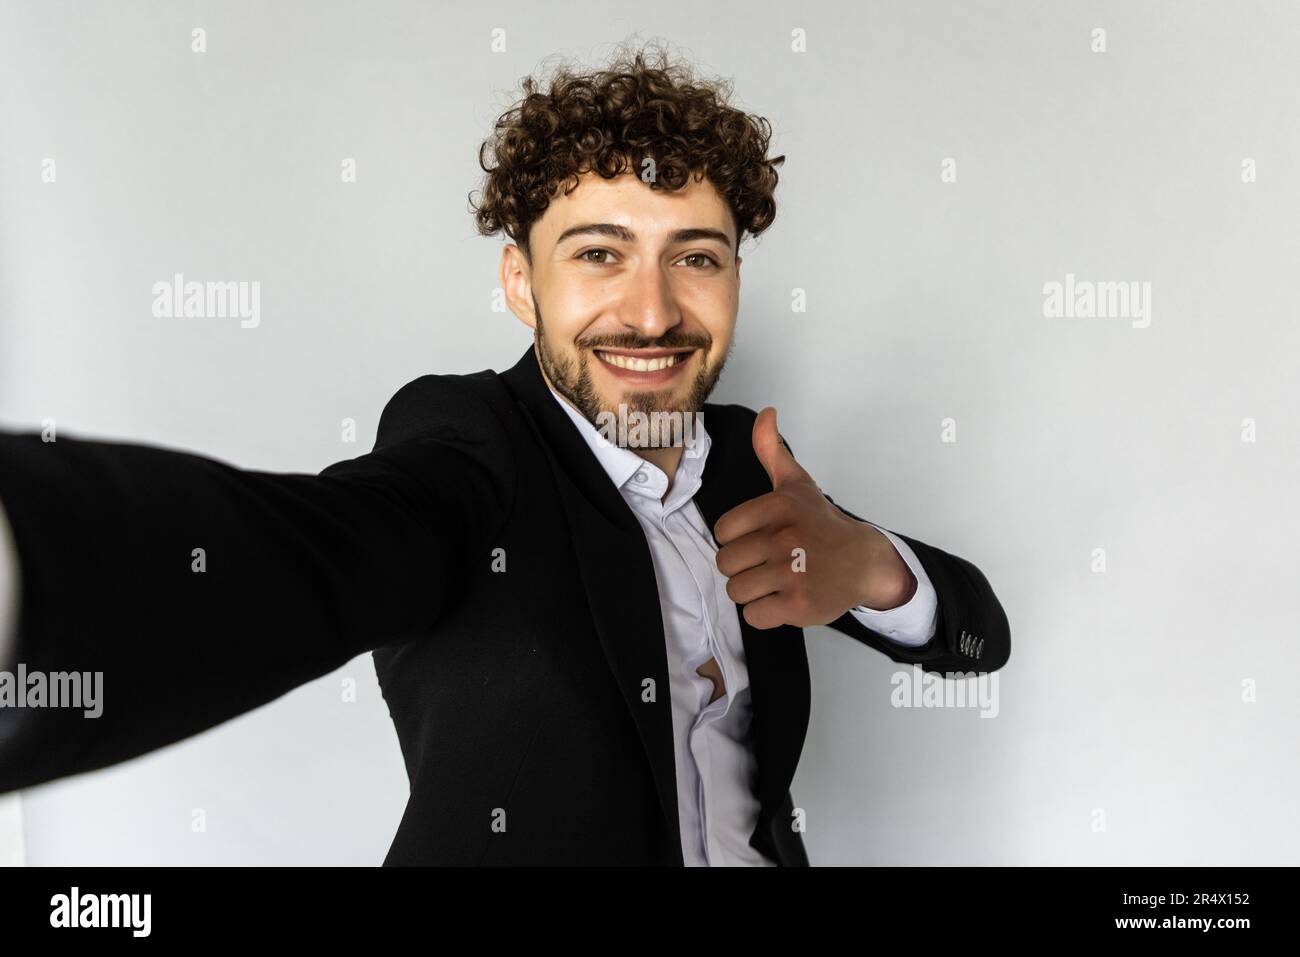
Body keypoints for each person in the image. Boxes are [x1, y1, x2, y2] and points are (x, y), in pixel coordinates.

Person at [0, 44, 1009, 866]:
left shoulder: (754, 463)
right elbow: (309, 554)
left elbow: (978, 636)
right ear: (521, 286)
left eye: (694, 257)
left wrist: (870, 564)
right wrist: (27, 578)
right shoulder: (468, 450)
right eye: (599, 254)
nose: (653, 311)